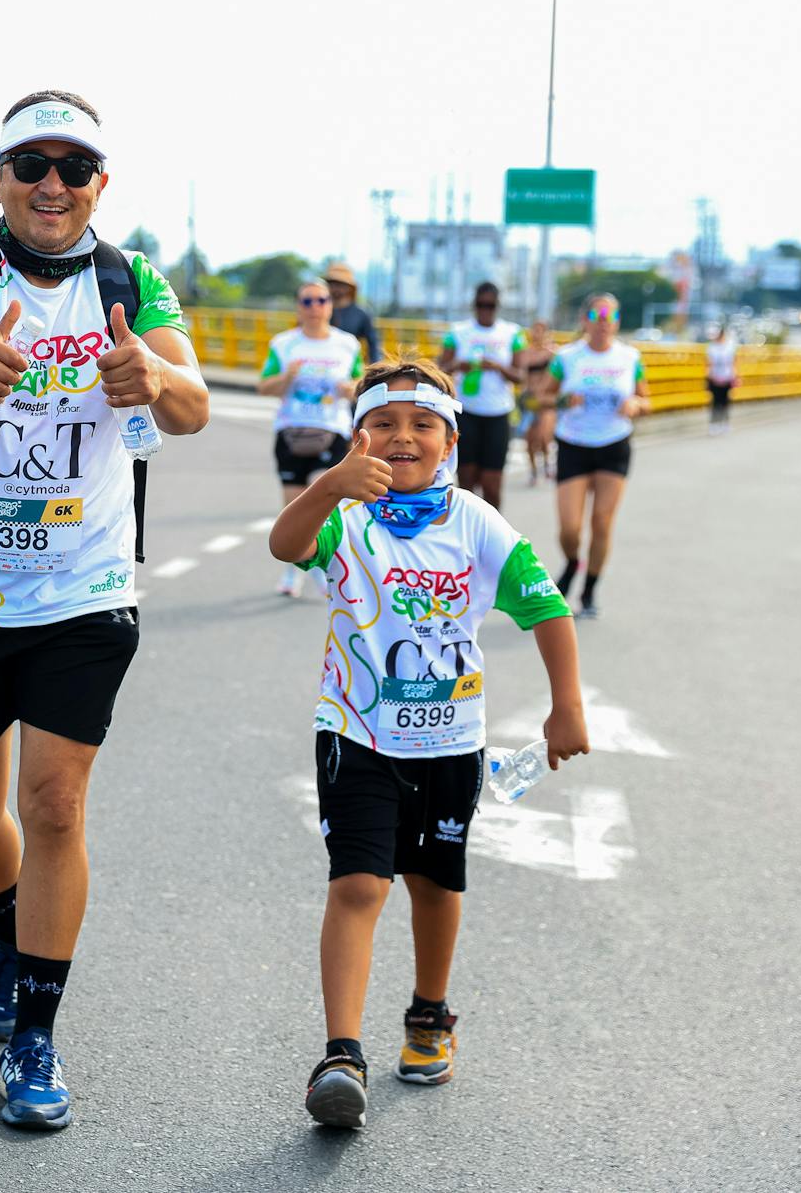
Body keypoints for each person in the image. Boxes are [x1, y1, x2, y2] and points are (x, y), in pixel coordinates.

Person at [0, 89, 209, 1130]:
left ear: (101, 183)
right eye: (30, 164)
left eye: (72, 166)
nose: (50, 183)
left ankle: (35, 1033)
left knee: (55, 805)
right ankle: (8, 931)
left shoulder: (131, 279)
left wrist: (149, 371)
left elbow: (190, 408)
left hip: (83, 587)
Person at [267, 358, 587, 1130]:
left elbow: (546, 609)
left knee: (435, 884)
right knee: (358, 884)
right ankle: (341, 1053)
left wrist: (565, 706)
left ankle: (429, 1014)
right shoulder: (345, 511)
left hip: (450, 741)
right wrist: (328, 485)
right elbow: (285, 545)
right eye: (382, 424)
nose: (401, 438)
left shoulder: (476, 521)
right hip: (356, 732)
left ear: (451, 439)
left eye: (422, 425)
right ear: (357, 436)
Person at [542, 293, 650, 619]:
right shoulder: (567, 358)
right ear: (585, 320)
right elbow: (539, 399)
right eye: (596, 316)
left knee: (602, 522)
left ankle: (589, 588)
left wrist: (635, 405)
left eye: (609, 317)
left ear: (616, 321)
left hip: (613, 444)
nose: (602, 324)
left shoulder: (630, 358)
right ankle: (574, 562)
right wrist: (563, 401)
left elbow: (647, 401)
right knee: (570, 529)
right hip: (574, 444)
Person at [258, 280, 363, 596]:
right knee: (294, 508)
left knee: (325, 499)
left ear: (331, 305)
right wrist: (287, 376)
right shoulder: (284, 344)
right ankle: (294, 572)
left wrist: (351, 388)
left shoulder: (347, 345)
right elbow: (264, 387)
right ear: (298, 307)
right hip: (292, 430)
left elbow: (361, 381)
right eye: (307, 302)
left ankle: (322, 566)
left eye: (321, 300)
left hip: (332, 431)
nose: (315, 307)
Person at [441, 283, 525, 507]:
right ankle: (465, 537)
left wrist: (498, 367)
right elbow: (440, 369)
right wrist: (459, 365)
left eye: (490, 305)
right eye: (481, 305)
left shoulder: (512, 333)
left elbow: (520, 375)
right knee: (466, 481)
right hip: (466, 411)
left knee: (492, 483)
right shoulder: (457, 332)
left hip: (498, 413)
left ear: (497, 306)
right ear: (474, 305)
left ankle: (492, 535)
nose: (485, 309)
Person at [519, 320, 557, 484]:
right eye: (535, 330)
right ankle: (533, 469)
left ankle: (548, 462)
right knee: (529, 440)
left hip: (546, 401)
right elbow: (523, 377)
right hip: (531, 400)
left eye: (541, 330)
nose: (537, 334)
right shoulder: (526, 354)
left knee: (544, 436)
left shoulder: (552, 353)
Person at [324, 263, 383, 363]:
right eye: (331, 284)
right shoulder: (317, 310)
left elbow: (373, 345)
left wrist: (375, 370)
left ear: (349, 287)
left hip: (349, 364)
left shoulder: (361, 314)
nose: (335, 288)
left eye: (340, 284)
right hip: (321, 362)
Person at [705, 324, 738, 434]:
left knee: (725, 402)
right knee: (715, 402)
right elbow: (708, 363)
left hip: (727, 377)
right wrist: (709, 376)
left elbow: (733, 363)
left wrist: (735, 377)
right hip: (714, 377)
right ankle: (714, 424)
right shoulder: (711, 347)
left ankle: (725, 423)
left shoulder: (730, 347)